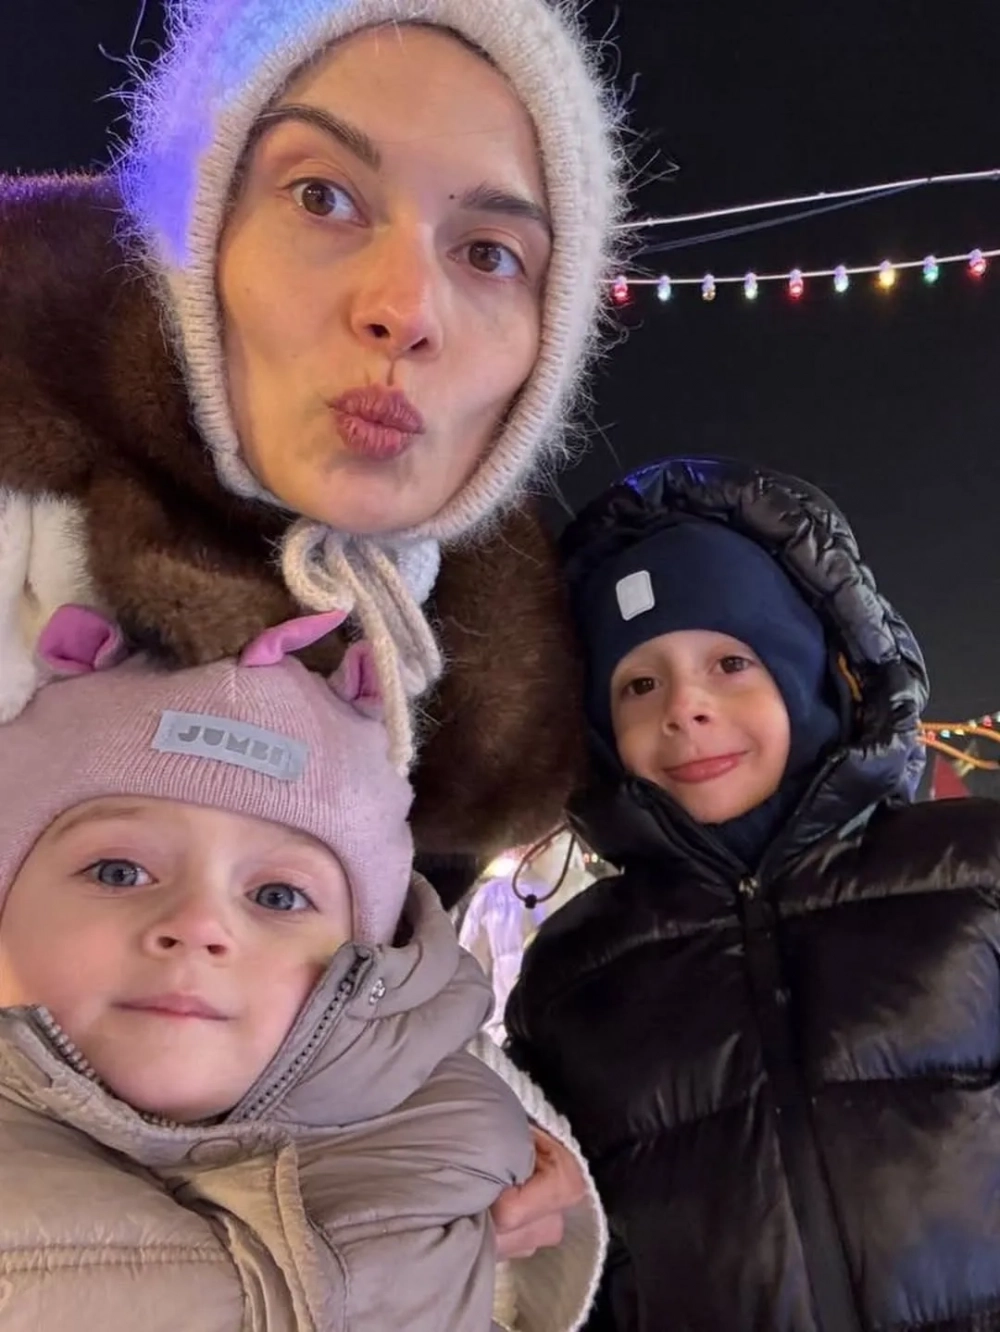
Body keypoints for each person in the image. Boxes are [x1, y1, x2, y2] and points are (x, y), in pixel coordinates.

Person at [0, 0, 629, 1293]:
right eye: (323, 195)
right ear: (194, 227)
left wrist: (485, 1137)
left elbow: (345, 993)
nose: (404, 307)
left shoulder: (419, 615)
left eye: (490, 251)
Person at [506, 455, 1000, 1331]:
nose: (684, 708)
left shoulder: (974, 875)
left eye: (731, 662)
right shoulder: (575, 978)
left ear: (810, 673)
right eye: (638, 684)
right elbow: (582, 1262)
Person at [0, 602, 581, 1331]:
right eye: (119, 872)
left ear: (364, 966)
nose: (198, 926)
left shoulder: (457, 1150)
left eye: (278, 895)